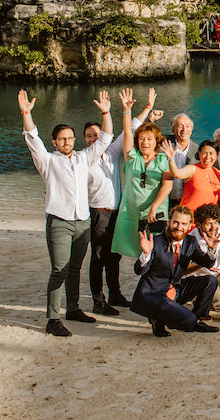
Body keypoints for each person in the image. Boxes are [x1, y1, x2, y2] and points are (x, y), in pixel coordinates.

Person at [20, 89, 114, 337]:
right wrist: (27, 114)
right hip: (59, 222)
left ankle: (73, 309)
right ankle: (53, 319)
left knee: (75, 269)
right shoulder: (47, 161)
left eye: (70, 138)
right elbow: (32, 138)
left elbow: (106, 138)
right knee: (59, 270)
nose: (67, 142)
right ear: (54, 142)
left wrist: (106, 113)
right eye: (62, 139)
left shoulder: (84, 158)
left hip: (83, 222)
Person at [83, 93, 156, 314]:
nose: (94, 138)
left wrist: (146, 109)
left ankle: (115, 294)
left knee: (114, 255)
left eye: (97, 134)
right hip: (98, 213)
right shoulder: (84, 158)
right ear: (84, 139)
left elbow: (129, 130)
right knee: (98, 257)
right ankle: (98, 301)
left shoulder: (112, 153)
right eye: (89, 136)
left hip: (117, 213)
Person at [130, 205, 220, 337]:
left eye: (184, 223)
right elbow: (139, 270)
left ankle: (196, 317)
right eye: (176, 222)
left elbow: (206, 263)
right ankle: (159, 320)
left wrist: (211, 249)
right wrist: (146, 254)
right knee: (188, 321)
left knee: (210, 281)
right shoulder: (156, 242)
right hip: (155, 294)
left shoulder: (190, 242)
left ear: (190, 226)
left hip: (176, 290)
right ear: (169, 222)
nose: (179, 227)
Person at [111, 89, 173, 259]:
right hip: (131, 213)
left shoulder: (162, 159)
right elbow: (128, 131)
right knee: (139, 254)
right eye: (142, 139)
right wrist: (126, 110)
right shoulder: (131, 157)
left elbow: (167, 186)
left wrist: (154, 207)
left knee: (158, 255)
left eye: (149, 139)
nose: (145, 142)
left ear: (156, 142)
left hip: (156, 213)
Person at [170, 140, 220, 214]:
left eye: (211, 153)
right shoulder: (192, 169)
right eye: (204, 153)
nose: (208, 157)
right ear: (199, 154)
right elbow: (176, 173)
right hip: (188, 219)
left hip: (207, 221)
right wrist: (171, 159)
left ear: (217, 155)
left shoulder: (219, 174)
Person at [166, 113, 198, 207]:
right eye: (180, 126)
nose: (184, 129)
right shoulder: (164, 143)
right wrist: (151, 119)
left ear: (191, 130)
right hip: (164, 200)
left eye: (188, 126)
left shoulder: (197, 151)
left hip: (186, 201)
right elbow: (140, 134)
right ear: (173, 130)